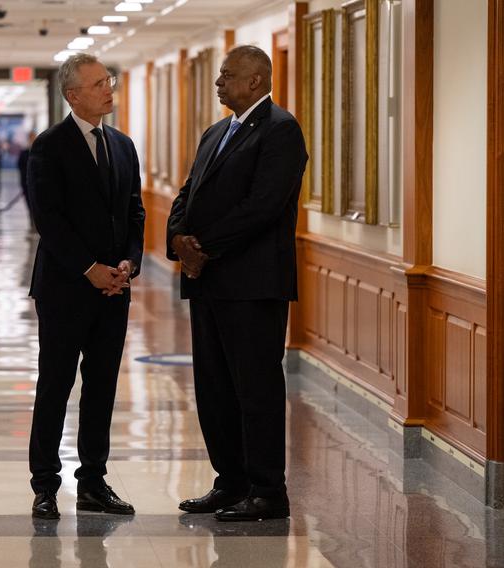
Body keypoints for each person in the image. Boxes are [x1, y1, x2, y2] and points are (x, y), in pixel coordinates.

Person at [166, 45, 308, 522]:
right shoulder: (215, 132)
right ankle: (230, 482)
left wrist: (202, 246)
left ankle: (268, 490)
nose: (218, 82)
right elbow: (188, 192)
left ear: (255, 81)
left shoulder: (281, 130)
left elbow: (263, 206)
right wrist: (177, 239)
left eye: (227, 76)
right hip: (208, 284)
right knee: (214, 387)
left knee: (255, 388)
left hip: (251, 284)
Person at [27, 53, 145, 520]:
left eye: (109, 80)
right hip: (64, 289)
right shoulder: (49, 146)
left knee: (102, 387)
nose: (108, 89)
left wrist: (127, 264)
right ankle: (45, 485)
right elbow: (48, 219)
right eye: (99, 84)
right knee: (54, 384)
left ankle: (94, 481)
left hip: (114, 289)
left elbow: (134, 210)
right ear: (73, 95)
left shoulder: (122, 144)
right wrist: (88, 268)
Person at [18, 131, 37, 225]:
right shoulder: (24, 153)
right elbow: (21, 167)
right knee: (29, 203)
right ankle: (31, 219)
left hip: (37, 183)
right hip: (26, 183)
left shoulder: (40, 150)